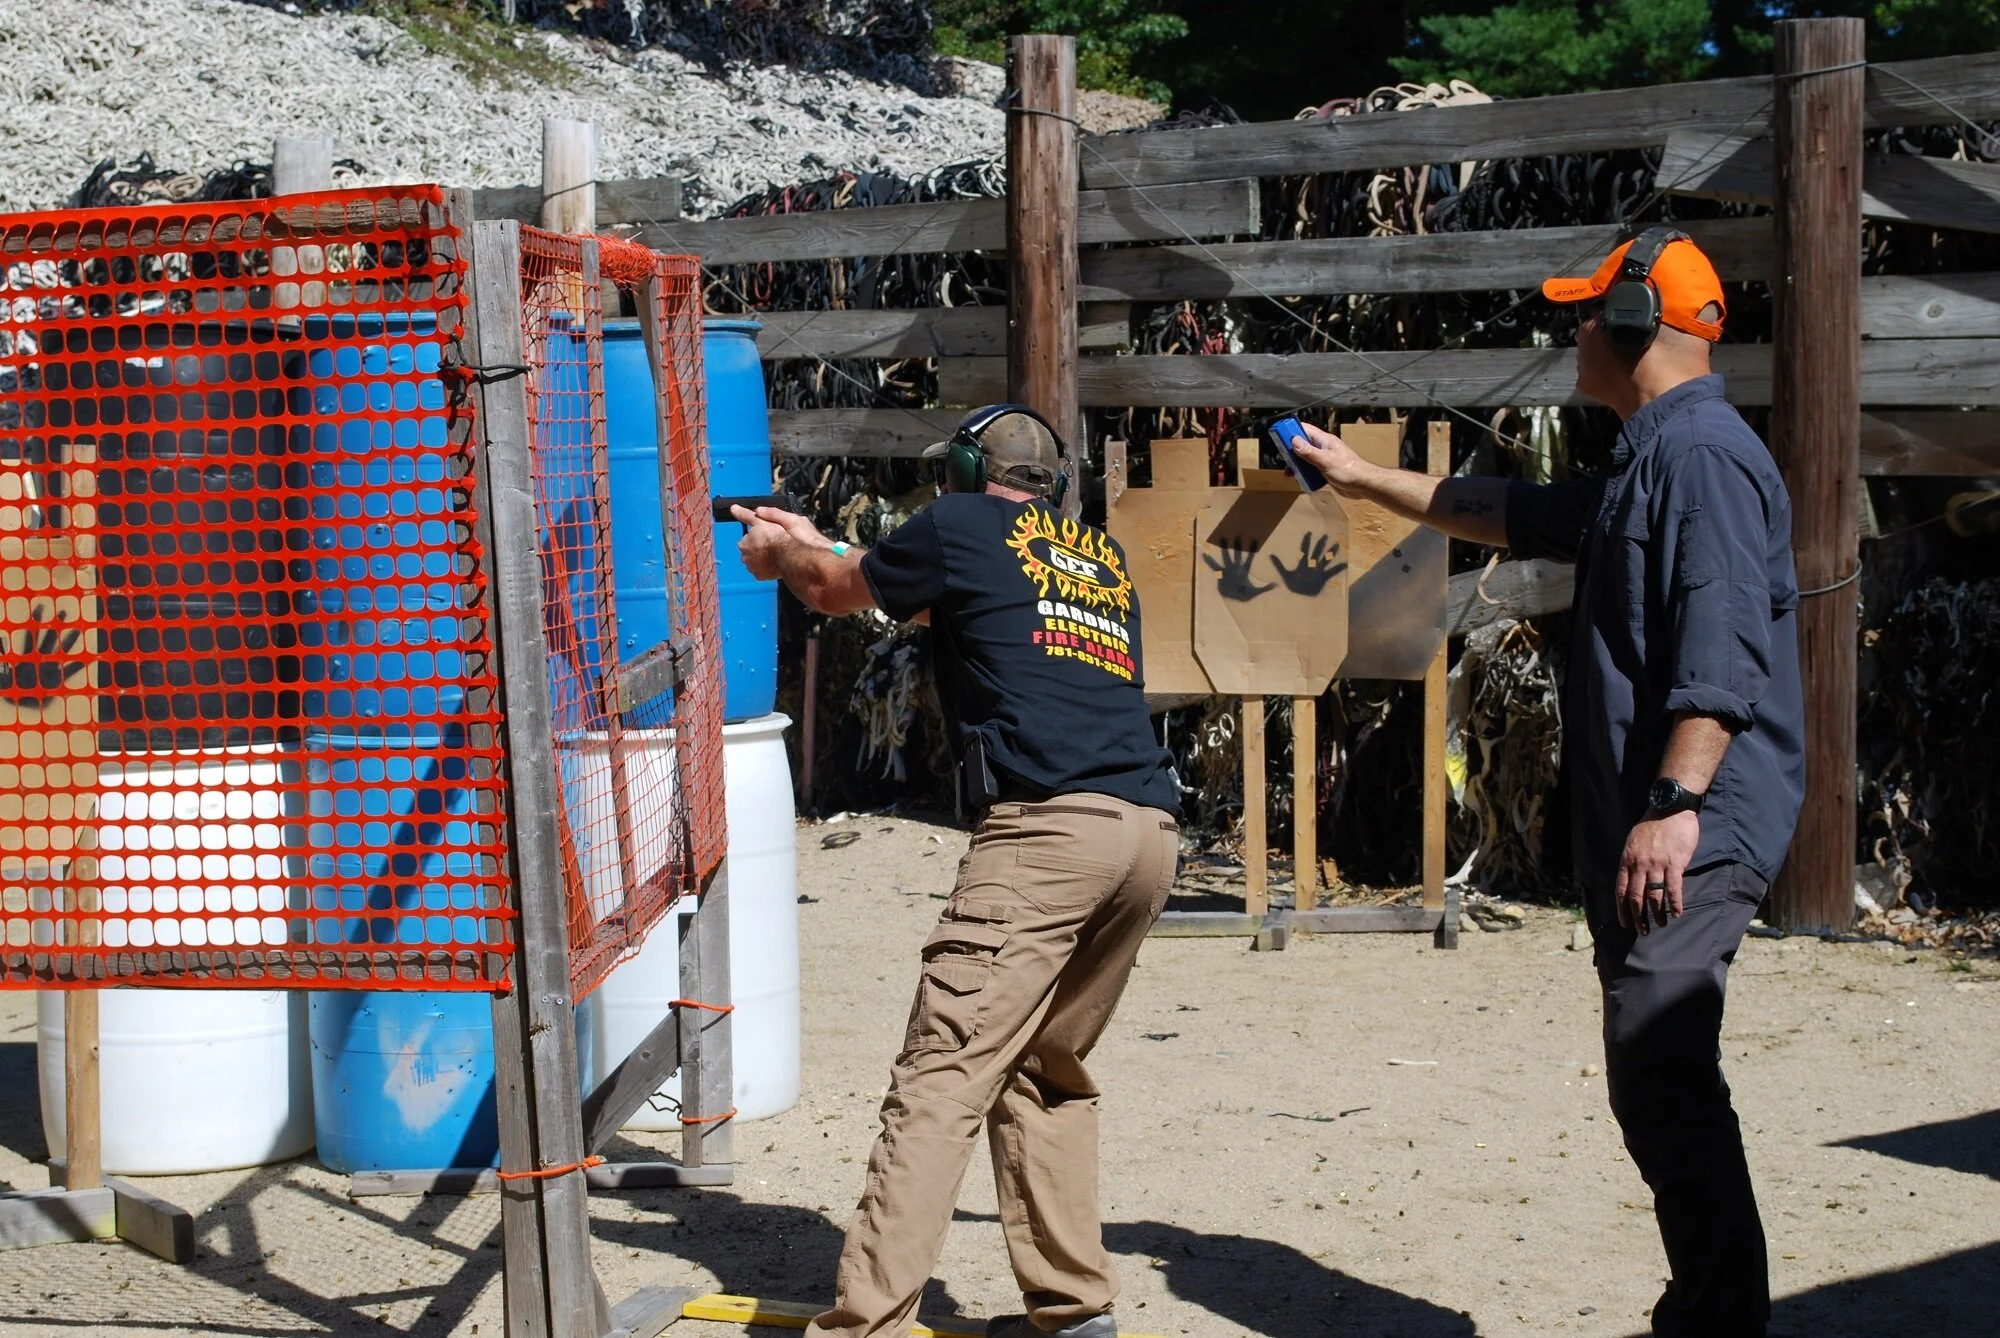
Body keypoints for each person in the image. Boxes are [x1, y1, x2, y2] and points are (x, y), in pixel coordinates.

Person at [1289, 229, 1804, 1338]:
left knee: (1662, 1059)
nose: (1570, 331)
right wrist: (1361, 475)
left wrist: (1671, 810)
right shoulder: (1643, 455)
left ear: (1630, 324)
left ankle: (1716, 1321)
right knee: (1651, 1064)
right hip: (1657, 815)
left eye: (1583, 313)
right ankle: (1708, 1311)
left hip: (1690, 816)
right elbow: (1507, 514)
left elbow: (1721, 651)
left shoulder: (1700, 456)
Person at [733, 404, 1181, 1338]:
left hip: (1047, 836)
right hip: (1143, 837)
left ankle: (864, 1325)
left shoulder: (962, 525)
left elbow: (831, 592)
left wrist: (786, 557)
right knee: (1043, 1070)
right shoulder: (1095, 559)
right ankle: (1074, 1309)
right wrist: (817, 540)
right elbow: (920, 591)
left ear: (976, 472)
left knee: (940, 1081)